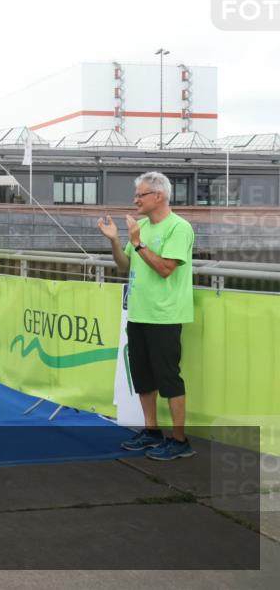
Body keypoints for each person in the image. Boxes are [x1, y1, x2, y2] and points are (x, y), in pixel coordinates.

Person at [98, 171, 195, 461]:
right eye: (136, 194)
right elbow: (124, 267)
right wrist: (116, 241)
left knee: (169, 378)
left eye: (140, 194)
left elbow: (166, 268)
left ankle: (180, 441)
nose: (135, 199)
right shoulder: (140, 227)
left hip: (165, 315)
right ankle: (151, 432)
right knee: (143, 378)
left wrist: (139, 243)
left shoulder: (179, 228)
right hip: (138, 313)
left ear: (159, 196)